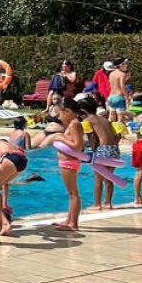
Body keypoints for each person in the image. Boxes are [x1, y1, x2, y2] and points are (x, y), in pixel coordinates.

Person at [50, 98, 85, 232]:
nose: (59, 117)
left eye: (60, 114)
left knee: (73, 194)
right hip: (67, 162)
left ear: (68, 111)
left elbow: (78, 146)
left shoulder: (74, 124)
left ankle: (73, 224)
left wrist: (61, 138)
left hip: (69, 162)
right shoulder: (73, 124)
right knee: (71, 193)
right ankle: (69, 220)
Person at [80, 96, 119, 211]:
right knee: (109, 178)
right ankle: (108, 202)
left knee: (98, 178)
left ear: (83, 110)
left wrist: (93, 150)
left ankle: (97, 204)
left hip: (102, 150)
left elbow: (91, 136)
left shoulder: (88, 120)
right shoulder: (104, 119)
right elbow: (116, 135)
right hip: (114, 149)